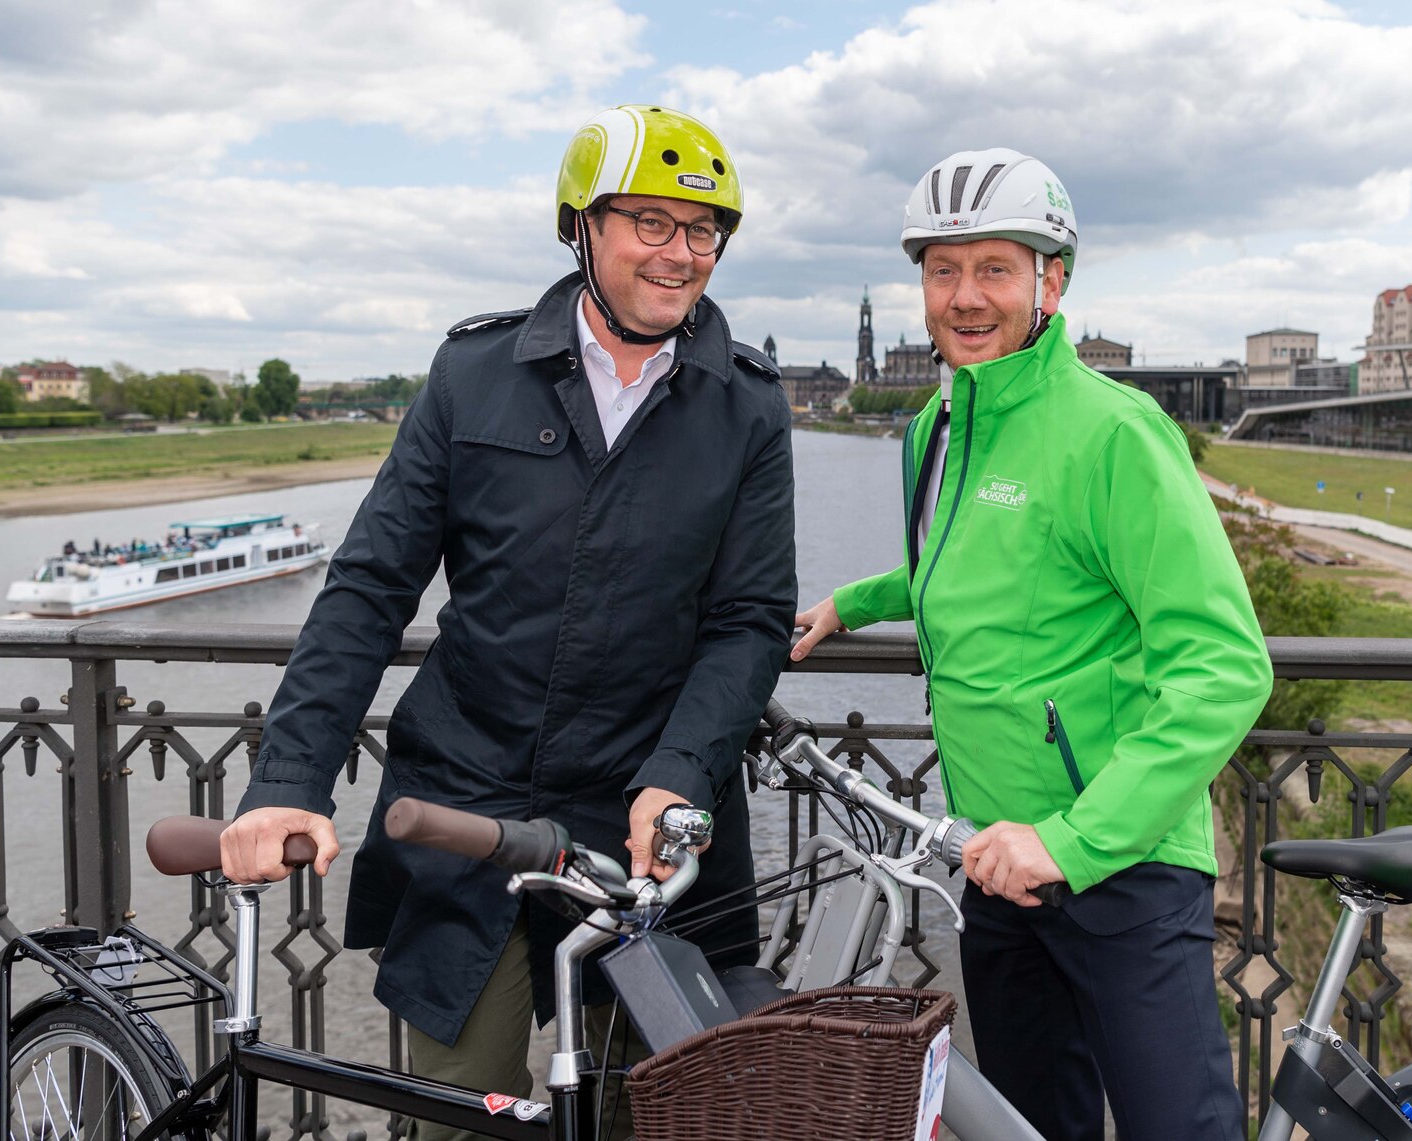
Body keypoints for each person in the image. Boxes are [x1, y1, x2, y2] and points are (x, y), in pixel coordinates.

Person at [220, 104, 796, 1132]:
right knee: (457, 1111)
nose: (679, 253)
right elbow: (367, 586)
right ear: (582, 228)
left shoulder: (746, 401)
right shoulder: (475, 374)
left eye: (701, 229)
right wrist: (287, 780)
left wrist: (680, 771)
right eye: (648, 223)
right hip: (471, 810)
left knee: (650, 1113)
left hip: (645, 819)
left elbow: (750, 616)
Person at [793, 148, 1272, 1141]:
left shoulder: (1114, 434)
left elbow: (1223, 661)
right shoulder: (934, 425)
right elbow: (965, 566)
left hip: (1117, 857)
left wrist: (1074, 839)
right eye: (941, 270)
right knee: (1027, 1128)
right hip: (989, 859)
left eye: (994, 269)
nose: (965, 298)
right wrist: (853, 597)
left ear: (1049, 281)